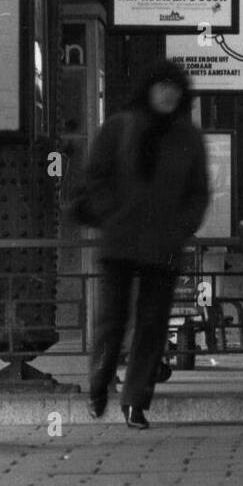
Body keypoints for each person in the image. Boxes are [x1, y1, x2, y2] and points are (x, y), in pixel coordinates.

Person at [74, 59, 210, 429]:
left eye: (175, 88)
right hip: (120, 240)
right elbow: (96, 178)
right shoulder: (119, 127)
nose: (168, 94)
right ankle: (99, 383)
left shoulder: (188, 138)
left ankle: (135, 401)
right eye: (161, 86)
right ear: (147, 89)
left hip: (163, 244)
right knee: (112, 321)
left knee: (153, 325)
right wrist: (113, 213)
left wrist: (180, 227)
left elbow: (197, 193)